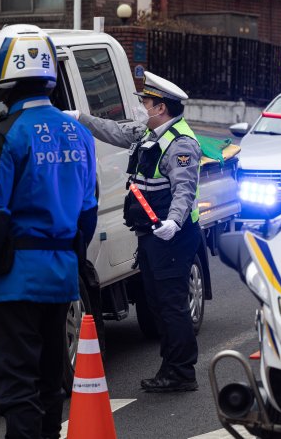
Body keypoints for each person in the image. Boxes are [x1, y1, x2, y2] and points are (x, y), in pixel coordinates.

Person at [0, 24, 98, 439]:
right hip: (61, 277)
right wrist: (68, 259)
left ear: (1, 69)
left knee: (15, 387)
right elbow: (86, 213)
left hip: (14, 279)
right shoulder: (79, 133)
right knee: (50, 382)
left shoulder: (2, 136)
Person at [72, 72, 201, 393]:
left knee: (171, 305)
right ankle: (171, 366)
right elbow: (114, 131)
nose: (141, 106)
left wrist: (173, 221)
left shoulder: (180, 143)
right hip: (151, 235)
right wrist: (80, 118)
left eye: (146, 102)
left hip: (172, 236)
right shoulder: (150, 133)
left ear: (160, 108)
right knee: (158, 304)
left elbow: (185, 188)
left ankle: (181, 372)